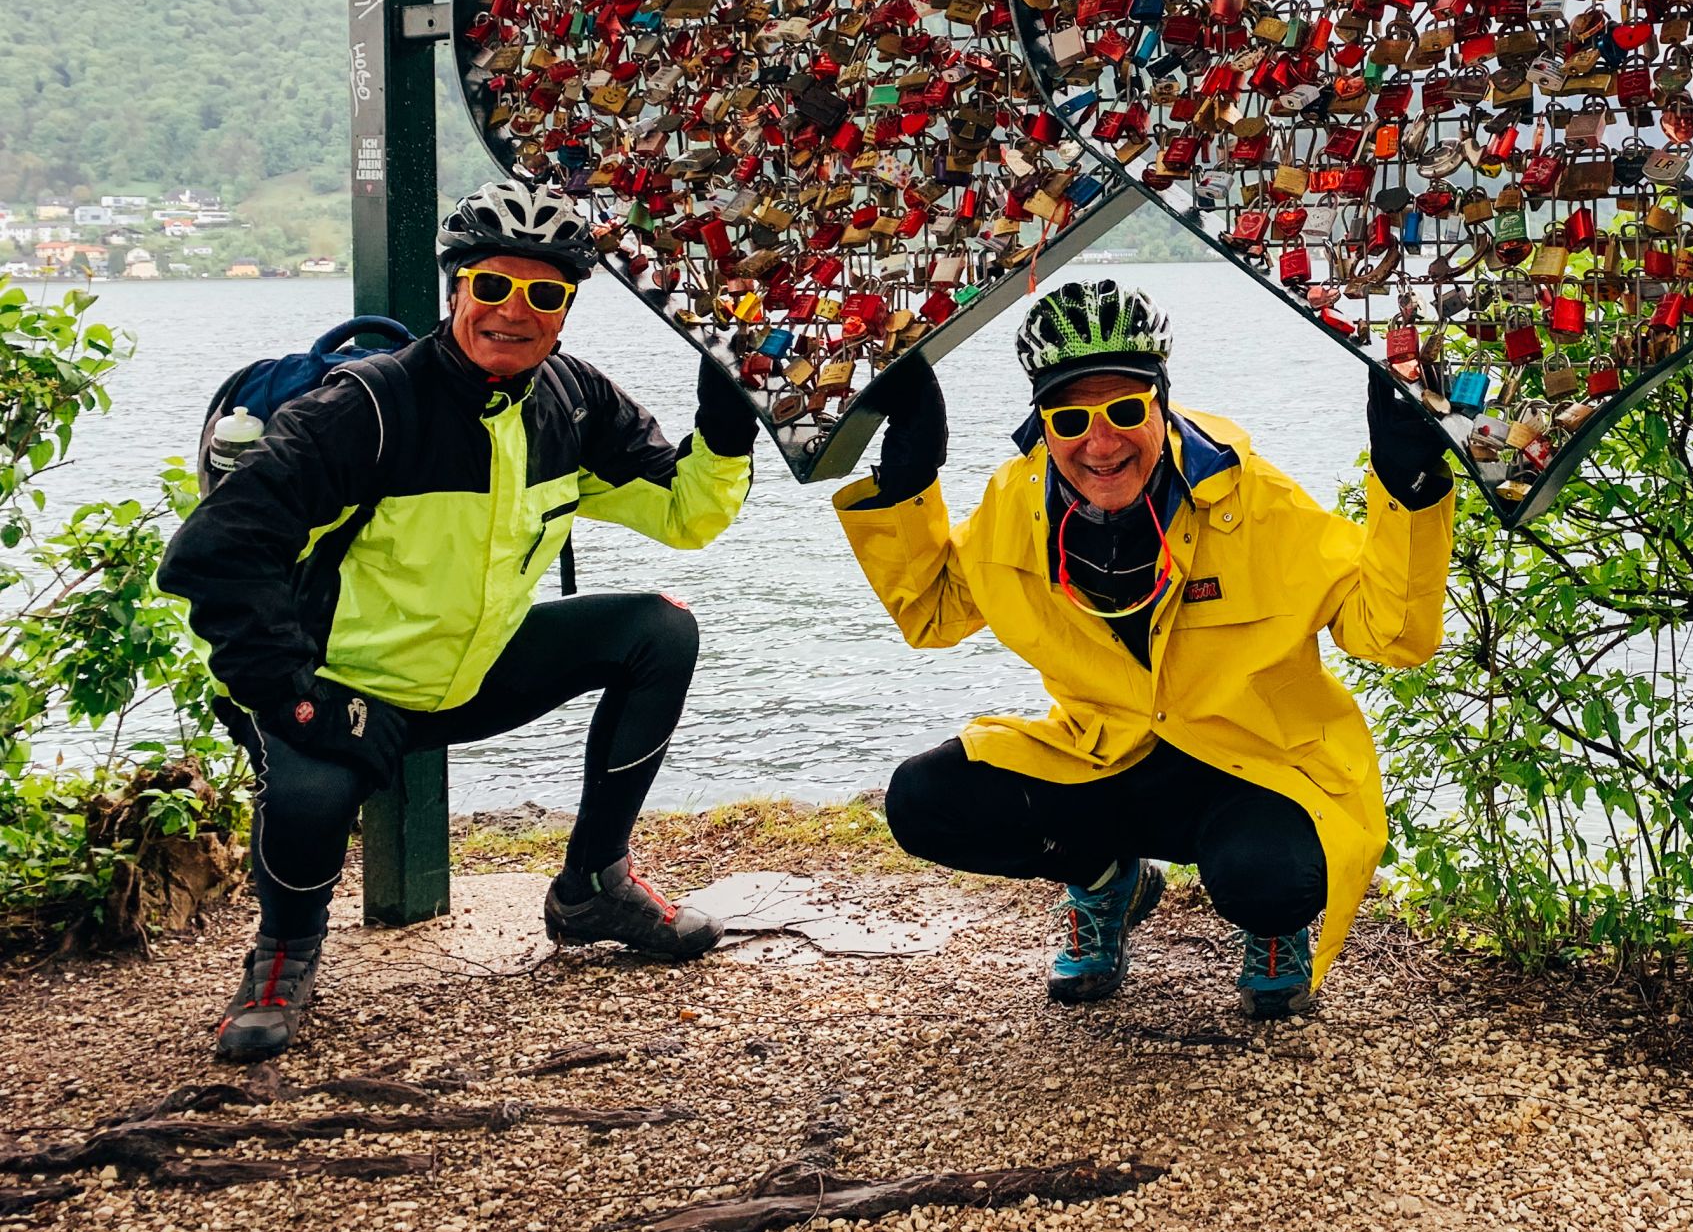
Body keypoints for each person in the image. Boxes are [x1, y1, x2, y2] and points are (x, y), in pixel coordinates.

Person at [159, 179, 759, 1062]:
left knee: (659, 629)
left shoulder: (574, 401)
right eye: (493, 286)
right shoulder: (365, 411)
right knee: (308, 796)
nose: (515, 311)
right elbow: (213, 556)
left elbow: (685, 515)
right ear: (456, 291)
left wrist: (728, 424)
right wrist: (293, 699)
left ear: (566, 311)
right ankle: (284, 954)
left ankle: (595, 886)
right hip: (348, 692)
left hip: (473, 672)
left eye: (544, 293)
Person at [836, 279, 1455, 1019]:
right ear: (1042, 421)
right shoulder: (1014, 502)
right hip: (1107, 757)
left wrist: (1409, 488)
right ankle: (1108, 882)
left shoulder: (1254, 500)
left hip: (1251, 763)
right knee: (926, 801)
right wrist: (909, 480)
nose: (1100, 443)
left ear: (1161, 404)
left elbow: (1392, 634)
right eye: (1069, 418)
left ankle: (1274, 925)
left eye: (1125, 410)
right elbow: (934, 611)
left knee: (1274, 878)